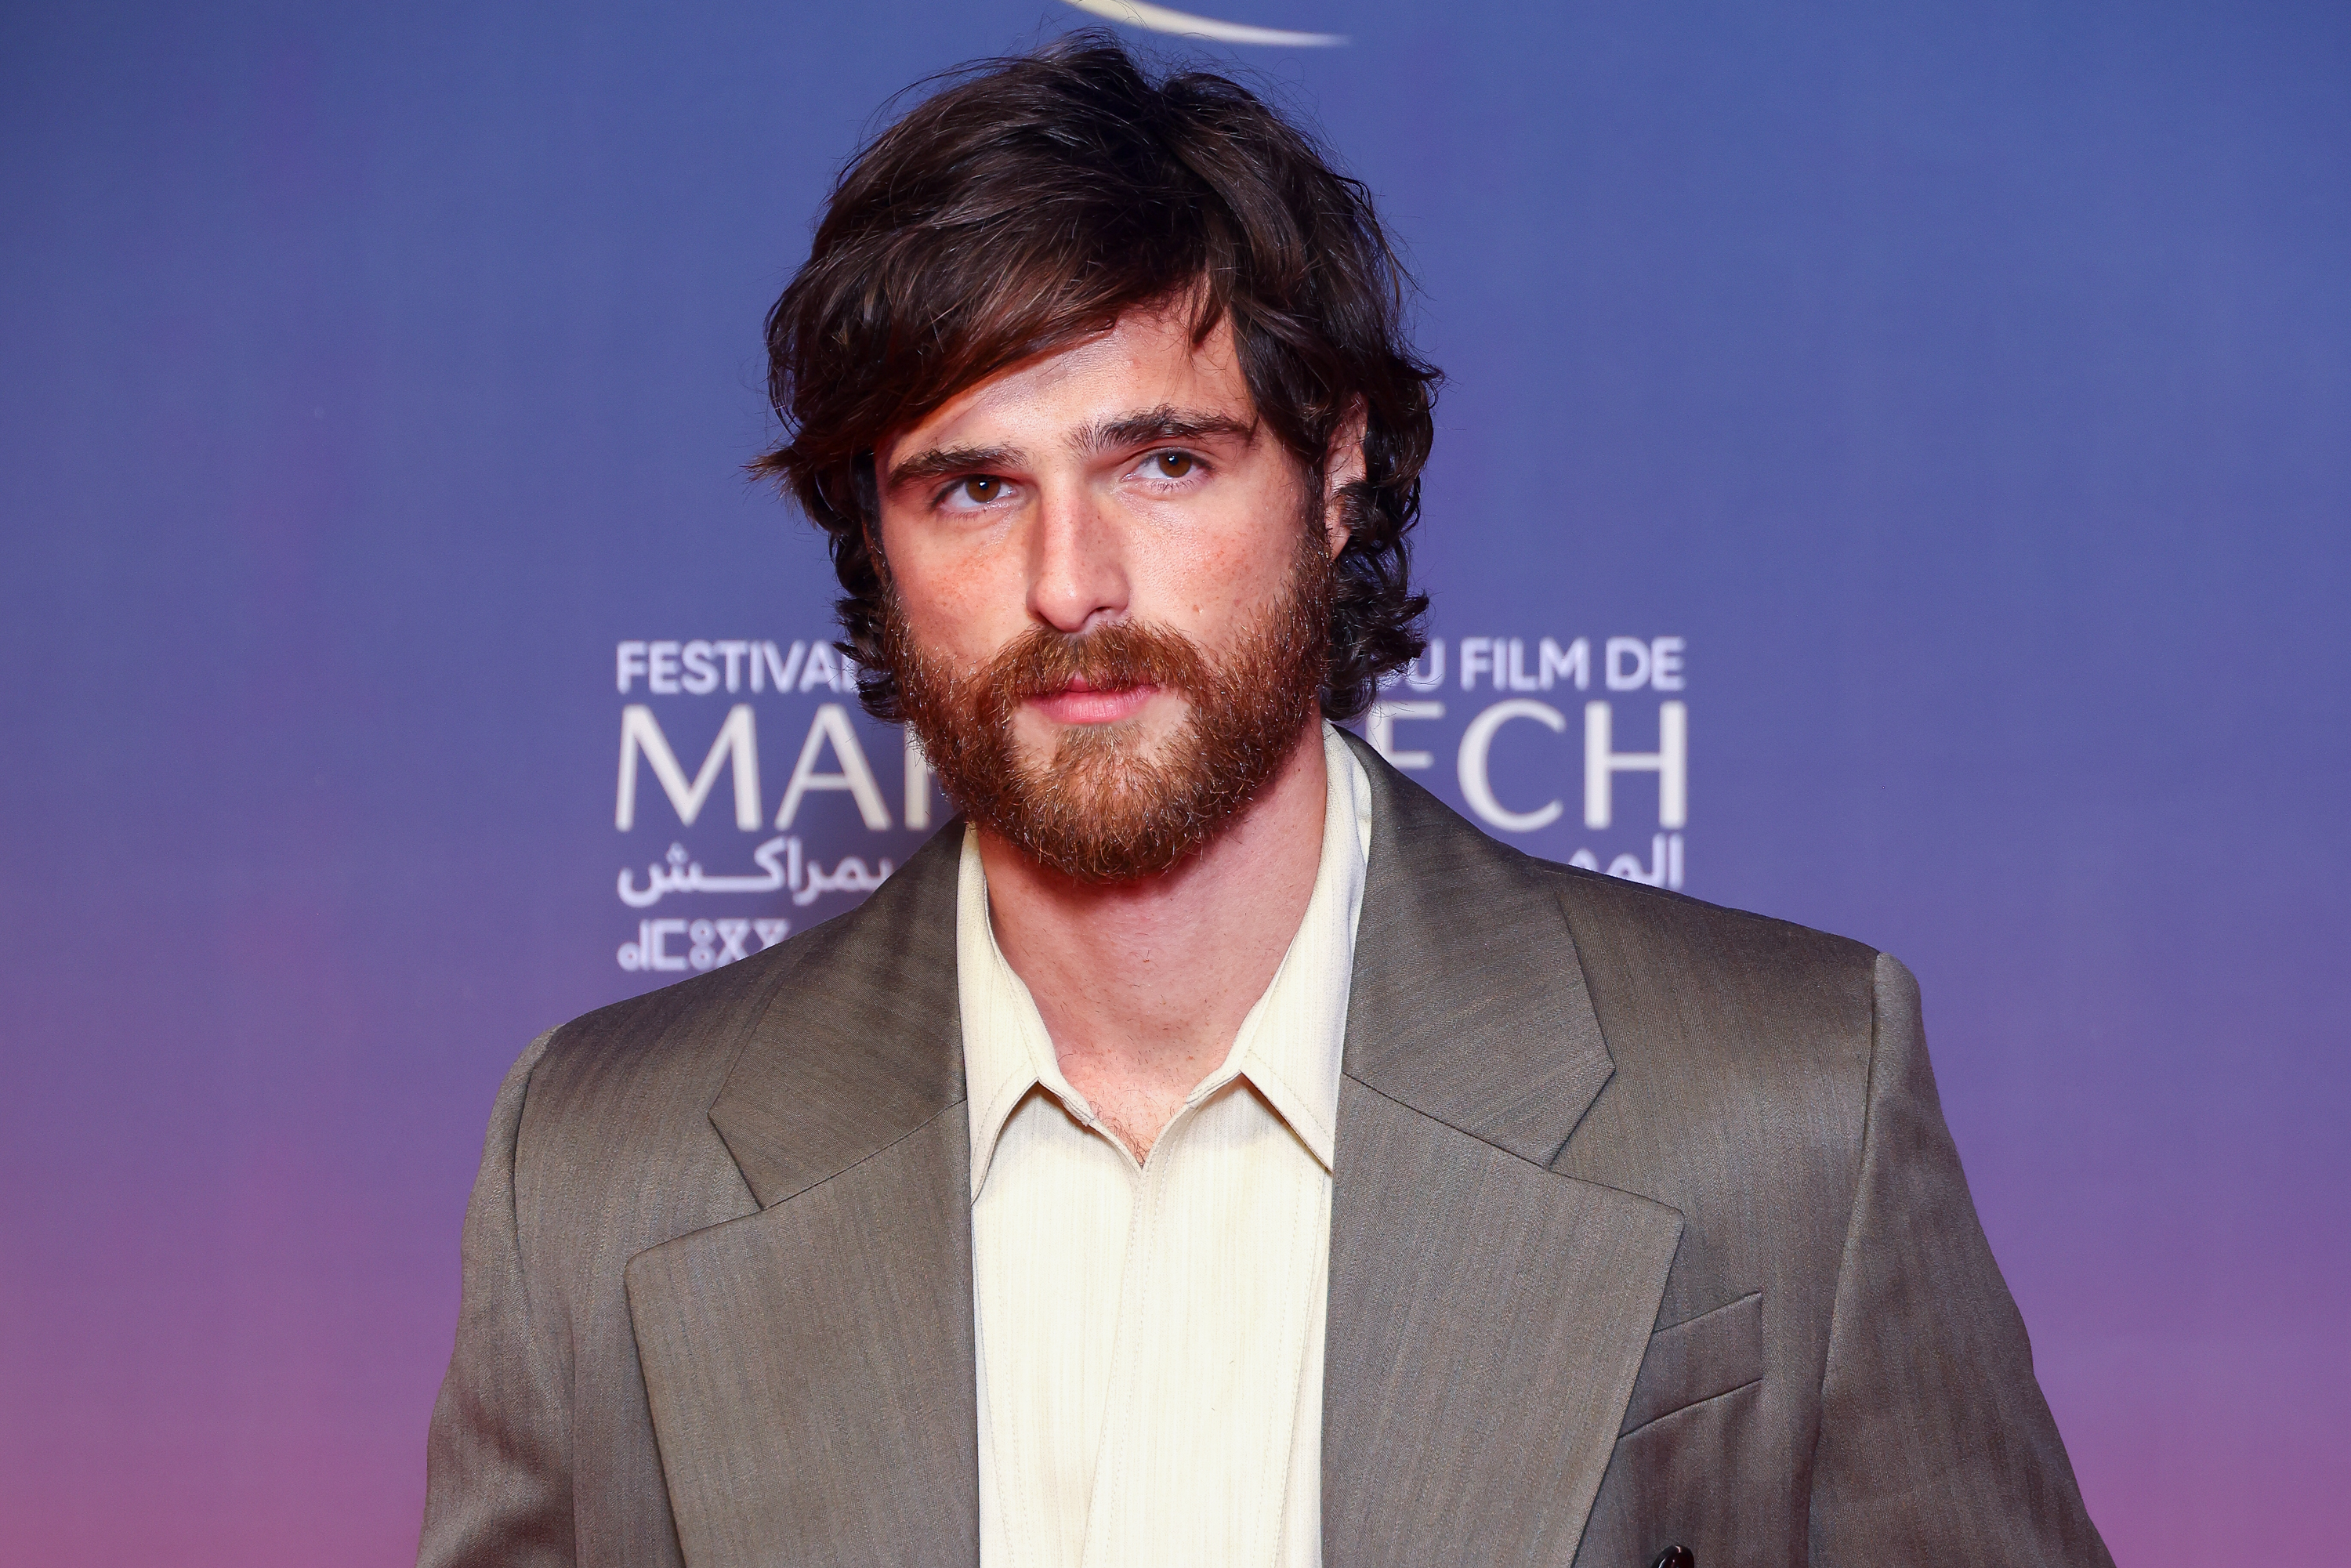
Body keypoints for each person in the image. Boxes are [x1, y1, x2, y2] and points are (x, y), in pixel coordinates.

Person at [418, 33, 2111, 1568]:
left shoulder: (1780, 1096)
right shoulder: (605, 1170)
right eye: (973, 486)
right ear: (877, 538)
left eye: (1165, 460)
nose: (1071, 579)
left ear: (1338, 467)